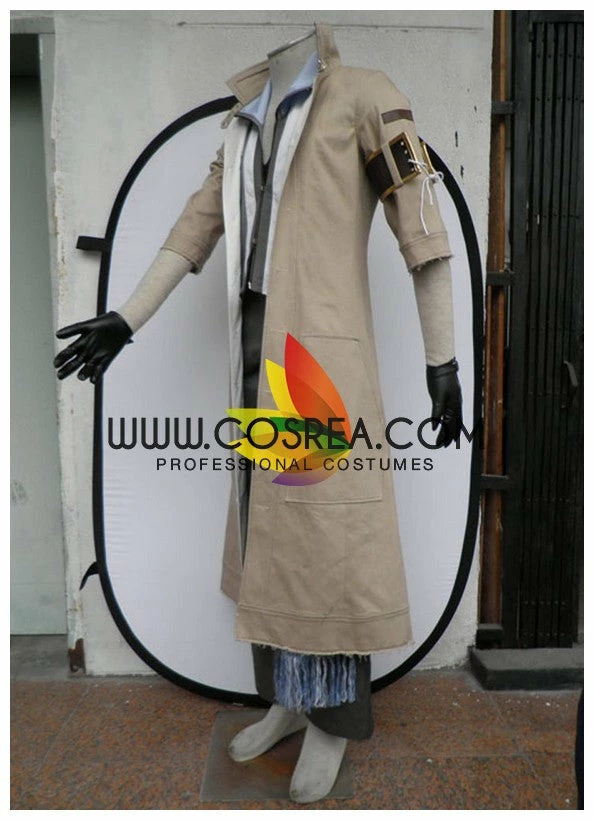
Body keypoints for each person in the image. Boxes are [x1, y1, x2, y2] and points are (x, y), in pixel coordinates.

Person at [54, 22, 463, 803]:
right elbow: (196, 226)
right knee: (268, 539)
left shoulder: (365, 96)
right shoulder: (245, 119)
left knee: (327, 546)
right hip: (254, 361)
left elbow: (422, 228)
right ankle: (287, 698)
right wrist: (126, 319)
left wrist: (441, 362)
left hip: (321, 366)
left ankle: (333, 722)